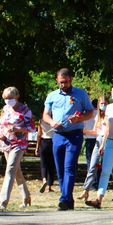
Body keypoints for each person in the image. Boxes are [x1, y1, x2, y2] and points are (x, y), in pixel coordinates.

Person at [42, 68, 94, 210]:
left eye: (65, 82)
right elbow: (45, 115)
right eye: (61, 82)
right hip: (58, 135)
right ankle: (68, 200)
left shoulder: (80, 94)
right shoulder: (52, 96)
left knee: (69, 166)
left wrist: (79, 118)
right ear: (57, 81)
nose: (63, 85)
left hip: (74, 135)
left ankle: (64, 198)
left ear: (71, 79)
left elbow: (90, 112)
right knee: (60, 169)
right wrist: (52, 122)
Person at [0, 87, 35, 210]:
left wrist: (18, 129)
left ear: (17, 96)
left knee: (10, 169)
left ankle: (3, 202)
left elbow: (32, 128)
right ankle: (26, 197)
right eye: (6, 98)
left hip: (19, 143)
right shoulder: (5, 109)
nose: (8, 100)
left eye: (11, 98)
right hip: (6, 143)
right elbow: (0, 125)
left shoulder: (25, 110)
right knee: (16, 171)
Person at [85, 91, 113, 208]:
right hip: (110, 141)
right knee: (105, 171)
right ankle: (98, 199)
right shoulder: (110, 107)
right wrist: (103, 144)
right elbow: (106, 126)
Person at [77, 96, 110, 201]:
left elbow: (107, 131)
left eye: (105, 103)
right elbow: (95, 132)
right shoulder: (98, 117)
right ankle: (86, 190)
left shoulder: (110, 116)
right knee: (92, 166)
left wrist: (103, 144)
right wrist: (82, 131)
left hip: (108, 141)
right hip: (98, 141)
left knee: (111, 169)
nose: (103, 106)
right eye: (101, 104)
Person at [35, 118, 57, 193]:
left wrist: (37, 147)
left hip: (44, 142)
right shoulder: (55, 120)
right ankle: (49, 186)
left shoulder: (41, 121)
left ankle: (44, 179)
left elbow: (39, 134)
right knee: (51, 165)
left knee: (44, 164)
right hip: (53, 141)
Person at [83, 99, 99, 189]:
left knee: (90, 161)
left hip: (90, 138)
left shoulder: (88, 114)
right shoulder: (101, 114)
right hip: (99, 138)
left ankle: (92, 183)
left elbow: (84, 126)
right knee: (99, 161)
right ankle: (98, 181)